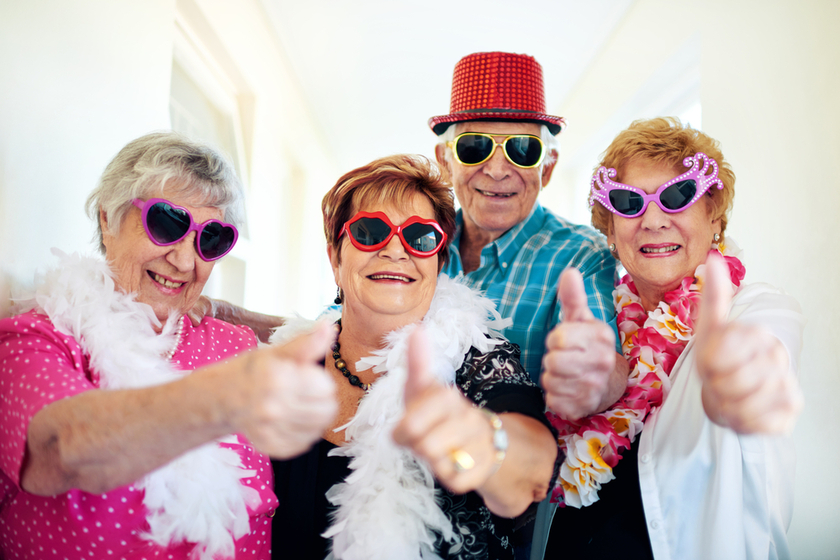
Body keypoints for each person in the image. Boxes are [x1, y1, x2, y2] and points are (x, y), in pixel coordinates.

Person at [0, 132, 338, 559]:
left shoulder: (235, 343)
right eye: (166, 223)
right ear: (107, 219)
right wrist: (216, 400)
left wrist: (232, 314)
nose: (183, 260)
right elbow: (60, 451)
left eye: (211, 238)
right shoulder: (35, 339)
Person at [269, 154, 559, 560]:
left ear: (439, 264)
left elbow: (528, 475)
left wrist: (484, 445)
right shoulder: (289, 365)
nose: (394, 249)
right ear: (336, 259)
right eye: (369, 231)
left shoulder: (480, 361)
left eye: (420, 237)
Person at [544, 117, 804, 559]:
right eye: (628, 202)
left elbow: (762, 356)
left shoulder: (756, 311)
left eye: (678, 196)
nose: (653, 220)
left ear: (714, 216)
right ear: (610, 231)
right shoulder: (603, 325)